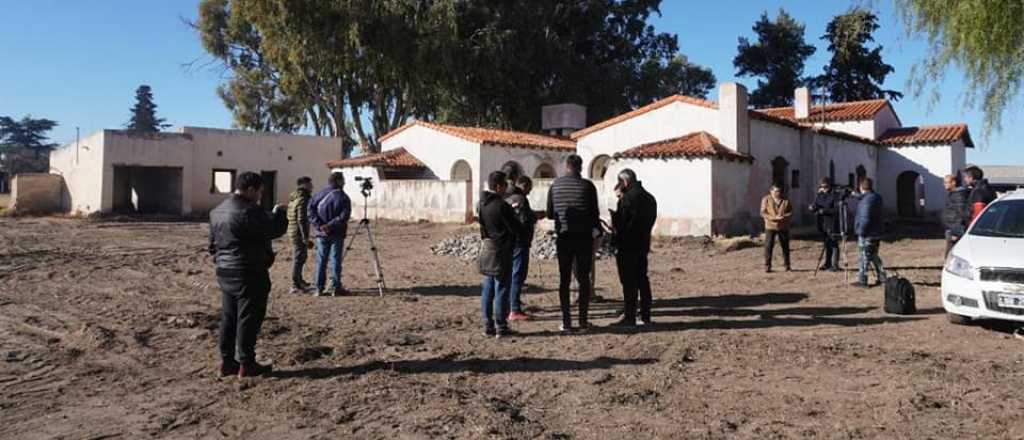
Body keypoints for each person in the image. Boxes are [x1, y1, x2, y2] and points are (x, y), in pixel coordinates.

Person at [208, 171, 287, 377]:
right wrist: (280, 213)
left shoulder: (217, 211)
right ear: (251, 190)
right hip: (248, 271)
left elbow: (212, 245)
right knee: (248, 318)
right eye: (260, 192)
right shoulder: (249, 211)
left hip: (225, 271)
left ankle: (227, 361)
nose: (260, 196)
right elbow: (274, 229)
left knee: (229, 317)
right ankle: (247, 362)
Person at [547, 154, 601, 332]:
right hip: (584, 238)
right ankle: (583, 321)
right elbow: (595, 214)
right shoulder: (588, 186)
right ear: (581, 167)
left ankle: (566, 322)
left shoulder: (555, 185)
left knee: (564, 280)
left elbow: (550, 213)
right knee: (584, 279)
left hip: (564, 238)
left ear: (567, 166)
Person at [609, 169, 658, 328]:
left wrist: (614, 216)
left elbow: (622, 225)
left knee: (629, 282)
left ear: (624, 182)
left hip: (627, 245)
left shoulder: (627, 199)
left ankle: (630, 316)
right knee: (642, 279)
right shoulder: (650, 198)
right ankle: (645, 314)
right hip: (643, 244)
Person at [478, 171, 523, 338]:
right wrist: (516, 215)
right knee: (502, 288)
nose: (506, 189)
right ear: (498, 187)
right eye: (504, 185)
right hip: (502, 250)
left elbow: (483, 227)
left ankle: (487, 325)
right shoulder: (501, 205)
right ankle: (501, 326)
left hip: (488, 248)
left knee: (488, 287)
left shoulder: (481, 204)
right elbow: (516, 228)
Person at [308, 172, 352, 297]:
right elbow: (344, 216)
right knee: (336, 261)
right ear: (339, 181)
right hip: (337, 233)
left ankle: (319, 288)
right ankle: (336, 287)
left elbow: (310, 211)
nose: (344, 182)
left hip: (321, 234)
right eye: (343, 180)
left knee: (321, 261)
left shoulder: (319, 194)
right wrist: (329, 226)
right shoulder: (343, 197)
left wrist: (320, 226)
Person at [505, 175, 538, 321]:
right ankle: (515, 309)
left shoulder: (507, 197)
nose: (529, 192)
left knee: (511, 273)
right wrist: (534, 217)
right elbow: (524, 220)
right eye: (529, 188)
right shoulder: (520, 199)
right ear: (524, 185)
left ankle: (512, 302)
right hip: (520, 242)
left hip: (509, 242)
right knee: (518, 274)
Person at [853, 178, 886, 287]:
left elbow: (865, 218)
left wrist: (860, 231)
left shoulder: (866, 201)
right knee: (874, 255)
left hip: (867, 233)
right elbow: (863, 198)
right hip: (877, 231)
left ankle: (862, 280)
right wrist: (855, 195)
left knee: (864, 256)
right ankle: (882, 277)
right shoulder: (876, 197)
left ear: (861, 187)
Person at [287, 176, 314, 293]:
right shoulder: (303, 199)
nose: (312, 187)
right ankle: (295, 284)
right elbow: (301, 219)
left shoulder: (295, 197)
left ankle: (299, 280)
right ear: (304, 185)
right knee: (299, 258)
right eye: (309, 184)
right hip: (298, 232)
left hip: (293, 231)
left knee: (301, 257)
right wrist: (305, 237)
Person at [761, 183, 793, 272]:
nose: (777, 193)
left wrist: (784, 217)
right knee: (768, 246)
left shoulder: (786, 200)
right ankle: (767, 266)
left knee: (785, 246)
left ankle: (787, 265)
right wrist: (773, 218)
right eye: (776, 191)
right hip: (770, 226)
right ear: (771, 191)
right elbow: (763, 212)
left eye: (779, 191)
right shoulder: (766, 199)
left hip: (783, 226)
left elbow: (790, 212)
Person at [810, 178, 840, 271]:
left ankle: (835, 264)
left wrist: (824, 211)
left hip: (831, 223)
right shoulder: (820, 194)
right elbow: (816, 204)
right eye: (822, 187)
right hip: (822, 222)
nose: (824, 189)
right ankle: (827, 263)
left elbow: (837, 210)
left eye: (825, 187)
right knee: (826, 244)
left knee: (833, 244)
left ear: (829, 186)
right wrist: (813, 207)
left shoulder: (834, 195)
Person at [942, 174, 969, 256]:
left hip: (954, 230)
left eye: (946, 182)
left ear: (953, 182)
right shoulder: (953, 194)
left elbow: (961, 214)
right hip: (950, 228)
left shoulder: (958, 195)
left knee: (951, 254)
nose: (944, 184)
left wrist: (956, 232)